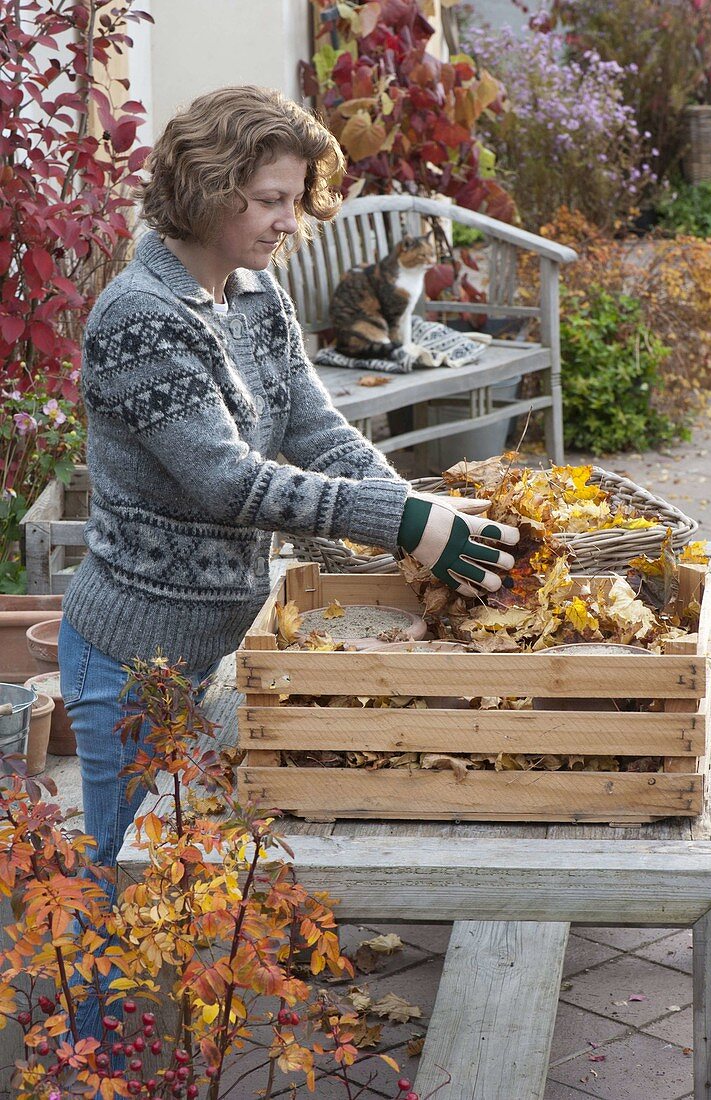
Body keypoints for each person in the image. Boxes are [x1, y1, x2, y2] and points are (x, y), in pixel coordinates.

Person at [58, 84, 518, 1038]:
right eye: (268, 198)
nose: (289, 219)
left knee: (199, 873)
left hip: (232, 634)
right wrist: (397, 527)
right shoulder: (138, 318)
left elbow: (314, 427)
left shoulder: (252, 292)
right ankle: (91, 1065)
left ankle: (181, 1036)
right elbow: (229, 482)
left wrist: (411, 508)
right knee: (116, 890)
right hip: (134, 657)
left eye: (296, 197)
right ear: (207, 190)